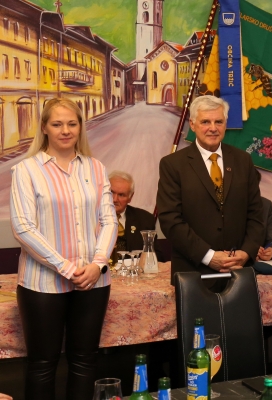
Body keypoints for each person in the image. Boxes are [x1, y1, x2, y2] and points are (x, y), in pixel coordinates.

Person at [10, 98, 118, 399]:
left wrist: (98, 264)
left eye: (72, 123)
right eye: (57, 124)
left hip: (93, 281)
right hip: (42, 284)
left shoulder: (96, 167)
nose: (65, 130)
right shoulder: (27, 170)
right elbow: (23, 227)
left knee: (85, 361)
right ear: (44, 127)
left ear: (80, 127)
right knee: (43, 364)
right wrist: (67, 268)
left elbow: (109, 220)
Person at [157, 95, 264, 289]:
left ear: (225, 124)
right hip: (193, 273)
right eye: (205, 122)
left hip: (239, 271)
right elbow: (170, 220)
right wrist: (209, 256)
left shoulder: (243, 160)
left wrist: (246, 252)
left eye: (218, 122)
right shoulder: (173, 165)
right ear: (193, 124)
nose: (213, 128)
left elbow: (256, 214)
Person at [109, 170, 163, 262]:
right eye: (111, 192)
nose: (114, 199)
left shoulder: (145, 219)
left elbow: (156, 256)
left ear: (130, 197)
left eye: (121, 195)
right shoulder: (89, 217)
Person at [255, 170, 272, 261]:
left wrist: (271, 251)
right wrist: (248, 250)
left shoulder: (265, 205)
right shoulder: (228, 205)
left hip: (259, 262)